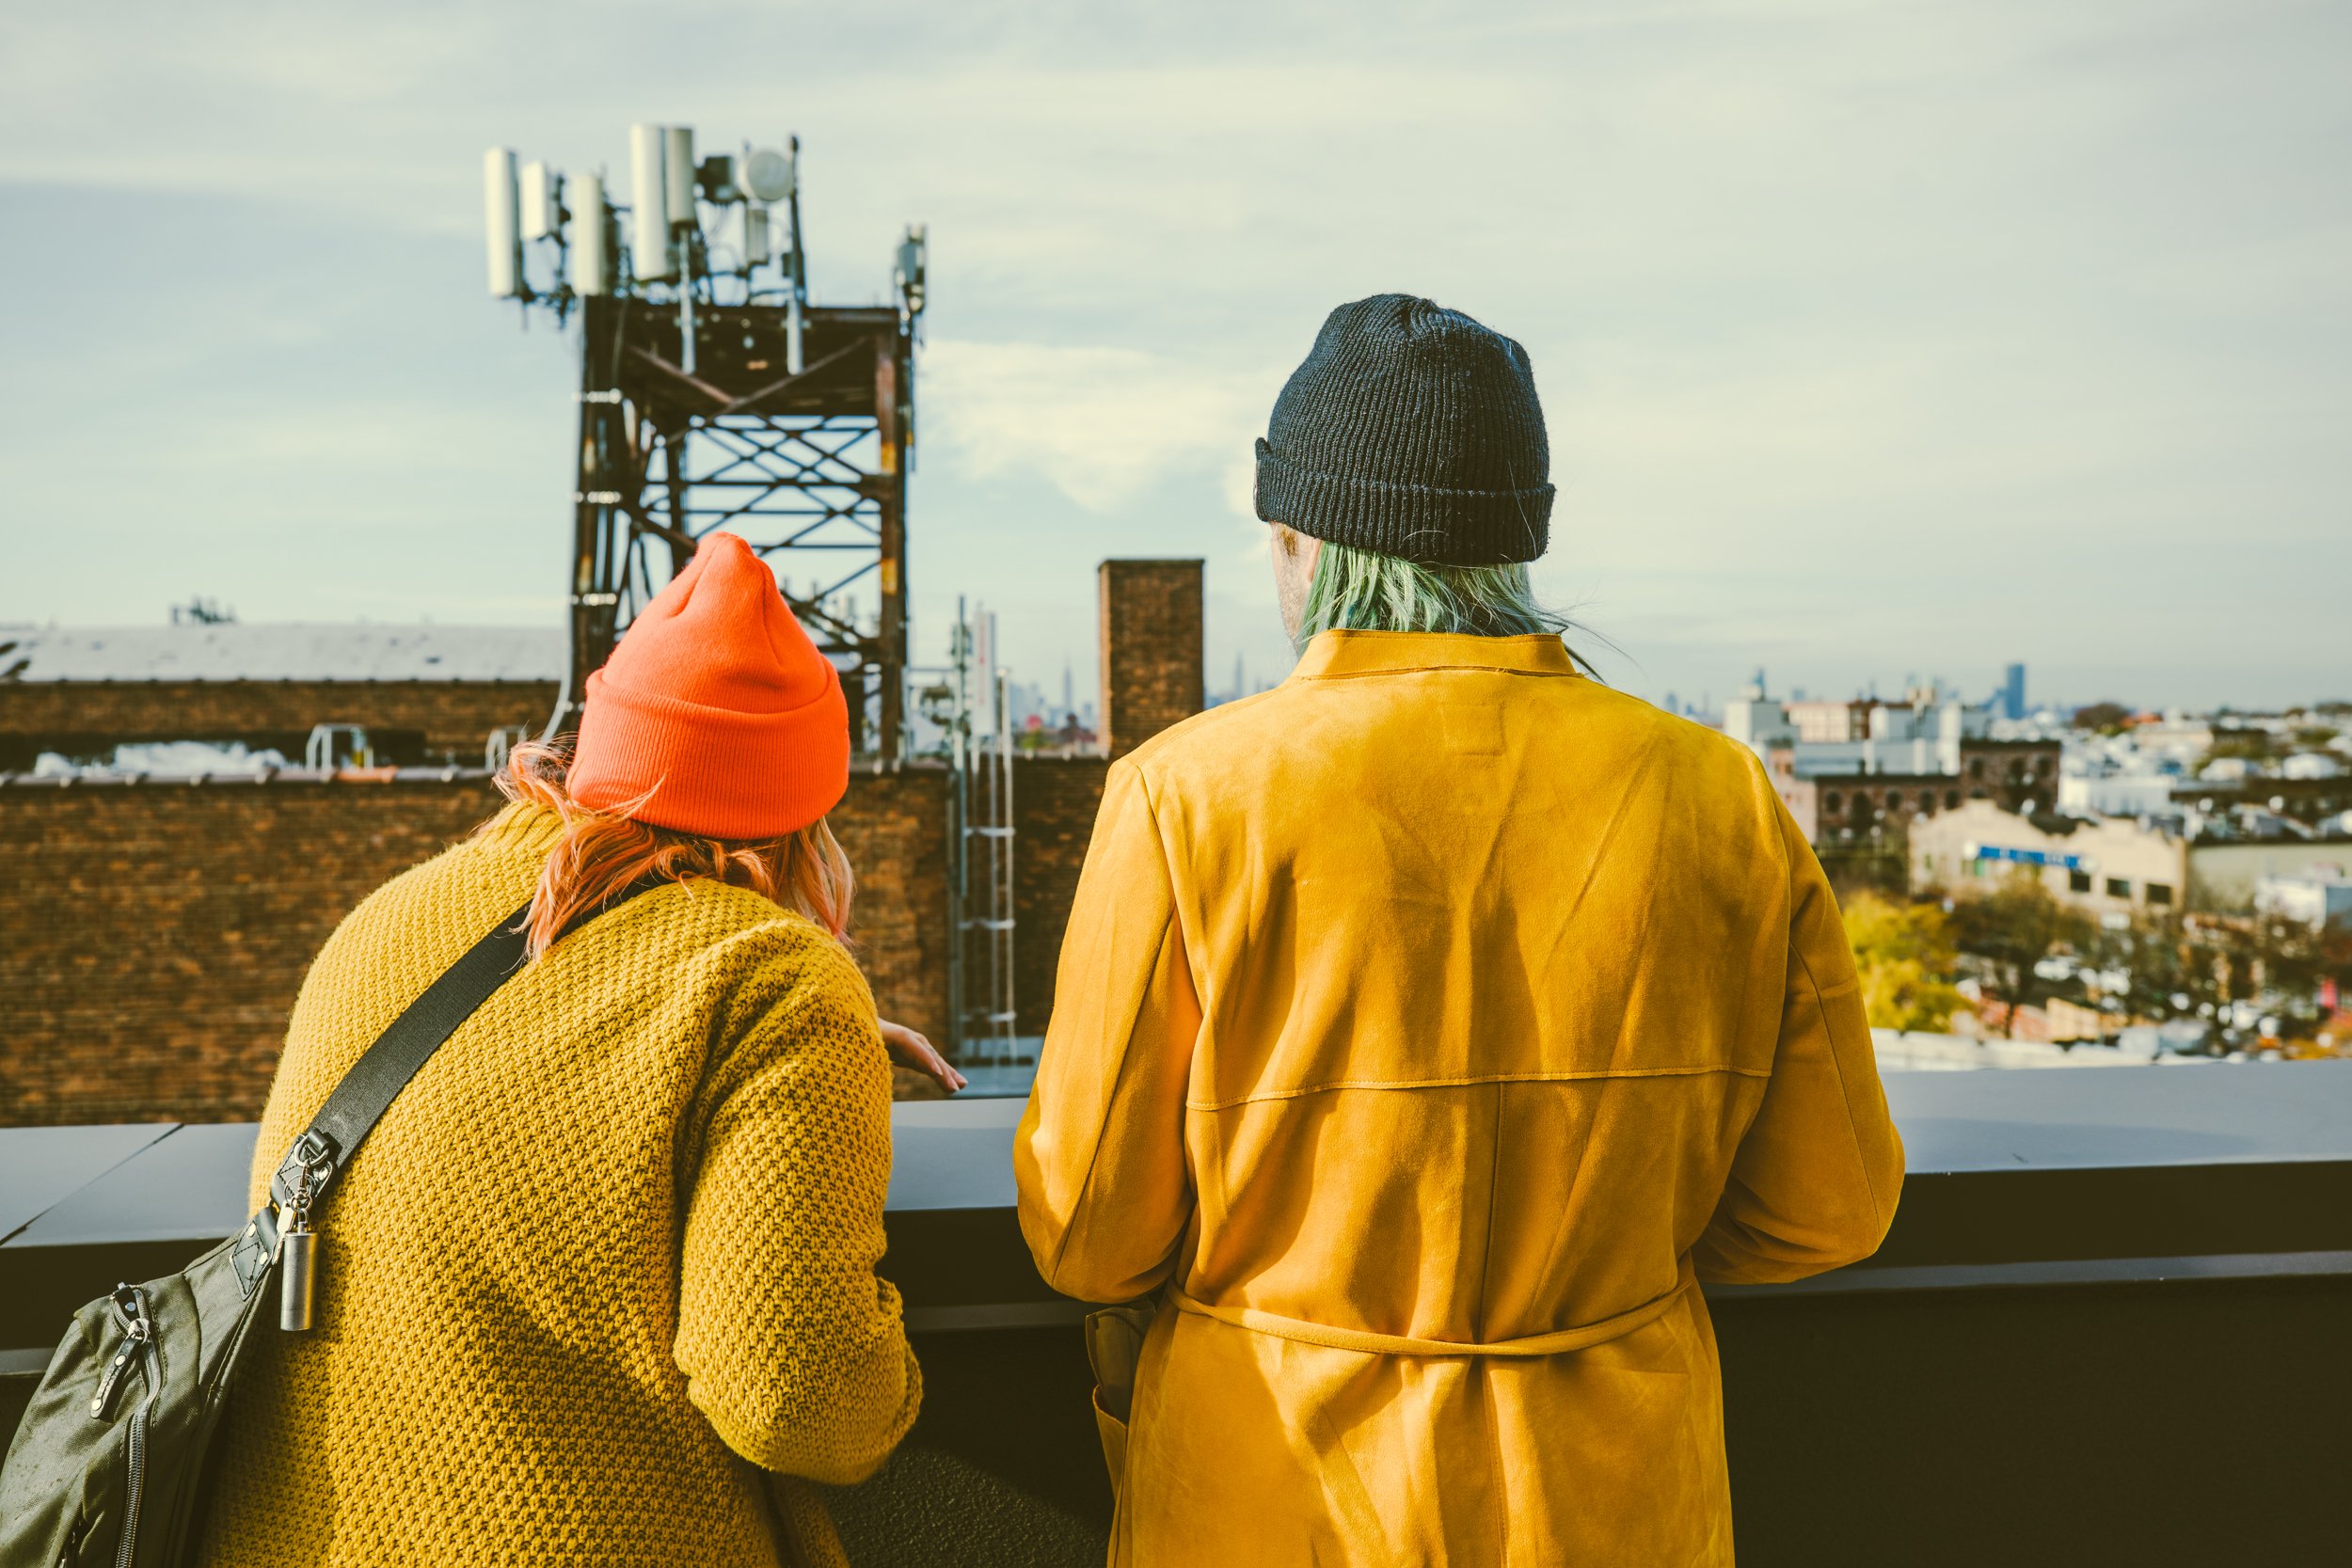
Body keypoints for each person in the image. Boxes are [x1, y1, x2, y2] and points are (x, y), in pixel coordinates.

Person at [1016, 294, 1903, 1565]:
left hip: (1277, 1496)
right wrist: (1602, 1263)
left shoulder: (1189, 793)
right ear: (1517, 538)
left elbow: (1091, 1226)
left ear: (1297, 543)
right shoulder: (1717, 793)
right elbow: (1836, 1204)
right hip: (1616, 1494)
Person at [199, 531, 954, 1568]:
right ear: (800, 805)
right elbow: (796, 1397)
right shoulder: (772, 982)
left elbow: (548, 1043)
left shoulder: (388, 917)